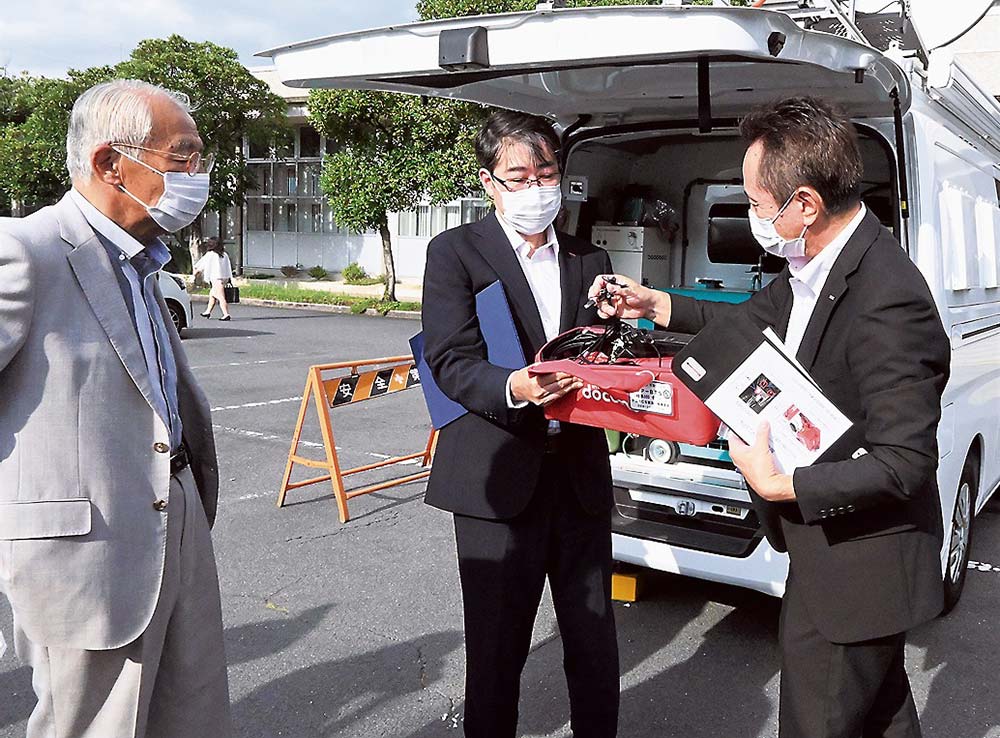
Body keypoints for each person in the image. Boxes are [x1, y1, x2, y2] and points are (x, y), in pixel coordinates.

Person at [590, 97, 950, 738]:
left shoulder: (888, 298)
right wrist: (657, 306)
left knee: (818, 722)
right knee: (883, 713)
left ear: (804, 204)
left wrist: (782, 485)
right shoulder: (813, 266)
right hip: (829, 557)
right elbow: (747, 326)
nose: (753, 216)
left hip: (858, 573)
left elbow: (908, 461)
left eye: (757, 203)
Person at [0, 79, 231, 737]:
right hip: (85, 556)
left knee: (188, 715)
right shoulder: (27, 250)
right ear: (110, 163)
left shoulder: (138, 260)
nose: (198, 175)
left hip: (173, 520)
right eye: (182, 157)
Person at [422, 110, 620, 738]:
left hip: (579, 478)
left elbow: (608, 353)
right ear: (488, 182)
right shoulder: (455, 252)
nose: (536, 188)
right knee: (497, 651)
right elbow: (448, 360)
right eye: (519, 176)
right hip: (498, 477)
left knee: (593, 639)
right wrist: (514, 385)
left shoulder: (591, 258)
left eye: (547, 172)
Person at [194, 237, 233, 320]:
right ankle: (207, 312)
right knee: (212, 295)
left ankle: (226, 314)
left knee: (220, 297)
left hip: (216, 278)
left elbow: (201, 266)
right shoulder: (224, 254)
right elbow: (228, 267)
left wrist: (194, 274)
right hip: (223, 278)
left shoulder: (210, 254)